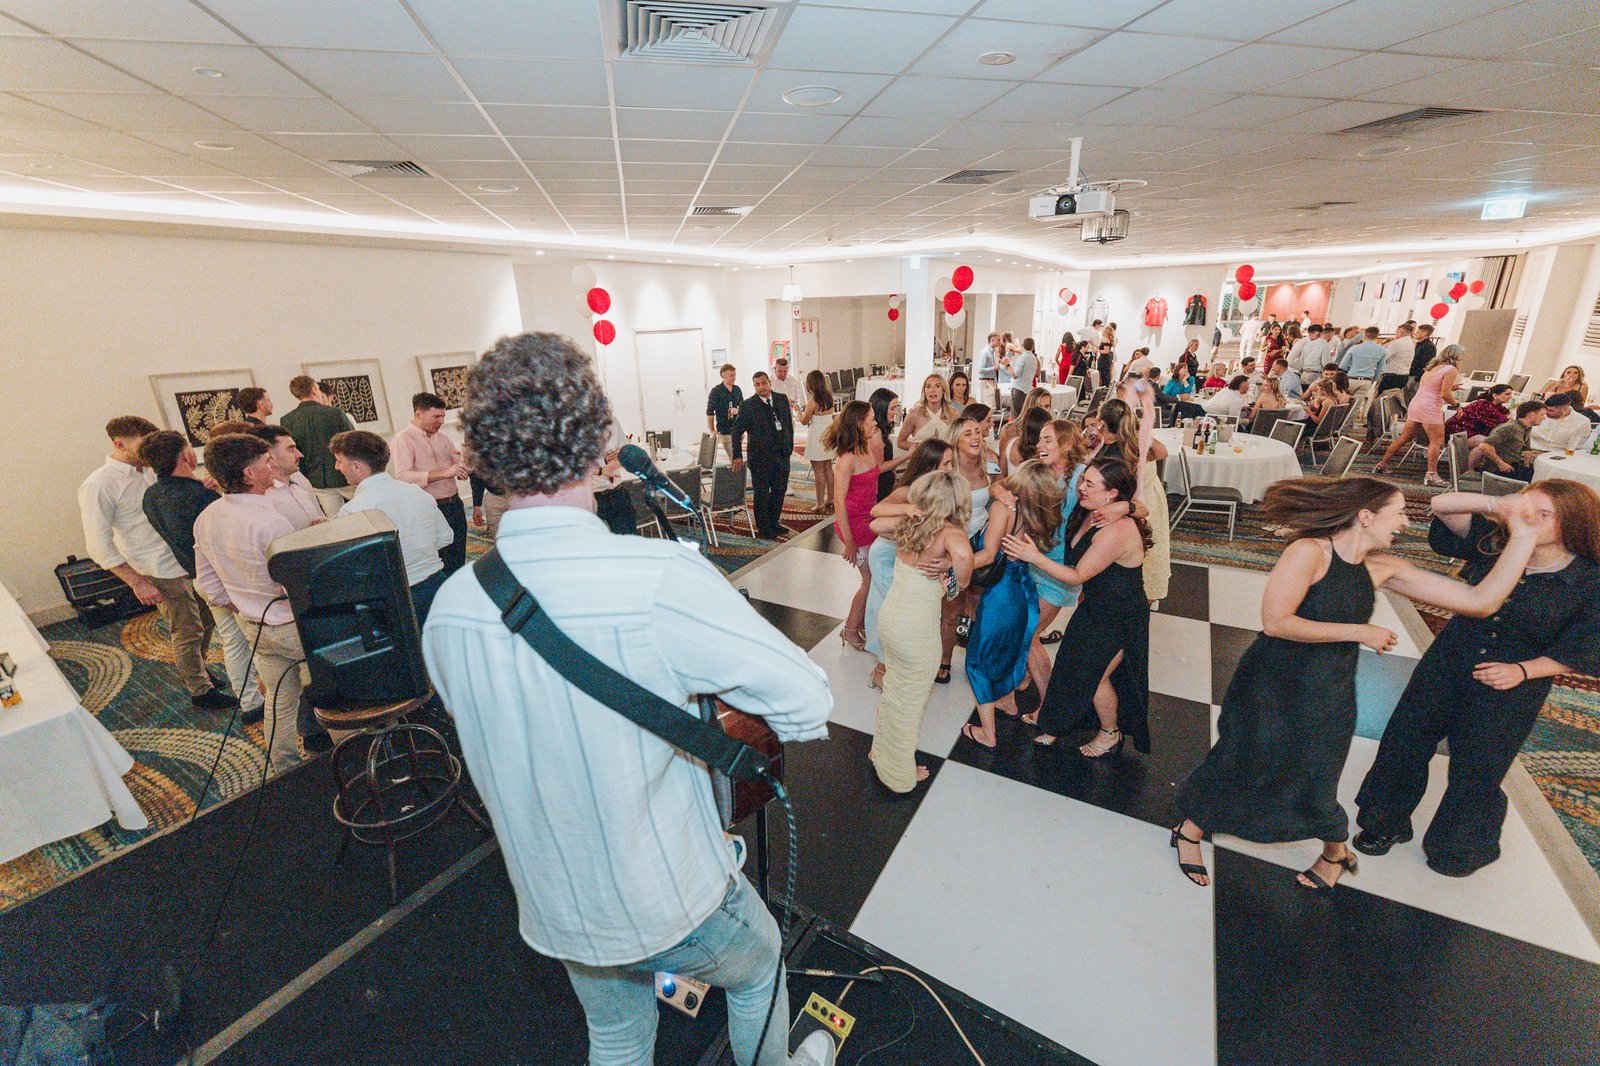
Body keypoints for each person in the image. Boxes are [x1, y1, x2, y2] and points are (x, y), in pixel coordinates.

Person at [418, 331, 837, 1066]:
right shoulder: (657, 579)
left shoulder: (451, 606)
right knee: (759, 963)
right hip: (664, 891)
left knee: (616, 1032)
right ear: (598, 444)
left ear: (482, 455)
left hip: (552, 896)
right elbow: (807, 702)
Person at [1168, 477, 1538, 892]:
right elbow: (1277, 622)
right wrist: (1359, 631)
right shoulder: (1309, 551)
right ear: (1365, 516)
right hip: (1271, 683)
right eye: (1399, 513)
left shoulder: (1384, 566)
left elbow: (1480, 602)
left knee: (1318, 773)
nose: (1406, 523)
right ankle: (1190, 830)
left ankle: (1334, 852)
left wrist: (1523, 537)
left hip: (1330, 689)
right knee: (1241, 757)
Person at [1355, 482, 1600, 876]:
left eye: (1544, 515)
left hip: (1512, 683)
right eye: (1528, 507)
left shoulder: (1589, 579)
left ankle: (1457, 847)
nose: (1530, 518)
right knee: (1405, 740)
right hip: (1449, 661)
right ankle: (1383, 823)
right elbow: (1442, 504)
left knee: (1479, 767)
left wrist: (1523, 671)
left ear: (1571, 523)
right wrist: (1501, 505)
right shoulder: (1496, 544)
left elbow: (1585, 646)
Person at [194, 432, 334, 768]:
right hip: (293, 627)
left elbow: (209, 587)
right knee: (336, 692)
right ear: (249, 474)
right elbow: (297, 586)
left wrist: (247, 605)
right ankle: (354, 751)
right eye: (266, 461)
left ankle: (283, 769)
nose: (272, 465)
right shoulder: (270, 523)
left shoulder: (207, 517)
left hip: (254, 627)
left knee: (278, 703)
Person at [79, 416, 235, 710]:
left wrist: (199, 485)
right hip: (157, 568)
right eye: (143, 443)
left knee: (206, 621)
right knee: (186, 630)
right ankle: (200, 690)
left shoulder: (151, 470)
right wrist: (137, 582)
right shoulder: (99, 484)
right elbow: (98, 545)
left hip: (189, 560)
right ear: (119, 444)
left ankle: (199, 668)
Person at [1003, 457, 1150, 755]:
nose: (1081, 487)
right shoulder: (1089, 511)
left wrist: (1034, 557)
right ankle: (1057, 723)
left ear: (1111, 494)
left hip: (1120, 616)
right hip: (1095, 607)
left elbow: (1077, 575)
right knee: (1070, 667)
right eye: (1083, 480)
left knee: (1095, 677)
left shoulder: (1116, 531)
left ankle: (1110, 733)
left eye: (1089, 484)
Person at [137, 430, 256, 719]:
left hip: (197, 576)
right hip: (225, 577)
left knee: (229, 638)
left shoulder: (151, 495)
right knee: (246, 640)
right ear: (185, 456)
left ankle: (249, 700)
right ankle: (253, 699)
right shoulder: (200, 497)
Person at [868, 471, 972, 791]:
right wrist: (954, 574)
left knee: (894, 692)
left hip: (891, 620)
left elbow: (875, 524)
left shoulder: (912, 524)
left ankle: (880, 752)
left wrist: (908, 510)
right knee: (910, 703)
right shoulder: (950, 533)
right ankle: (898, 773)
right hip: (916, 632)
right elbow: (964, 561)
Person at [961, 461, 1062, 748]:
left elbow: (988, 555)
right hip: (1024, 586)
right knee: (1011, 649)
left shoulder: (1003, 508)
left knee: (977, 660)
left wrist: (953, 565)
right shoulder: (1039, 512)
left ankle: (988, 734)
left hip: (1001, 591)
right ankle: (1008, 703)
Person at [331, 430, 453, 625]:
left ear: (357, 466)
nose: (337, 467)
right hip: (437, 586)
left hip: (395, 599)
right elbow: (446, 537)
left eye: (339, 461)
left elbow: (355, 568)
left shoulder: (353, 510)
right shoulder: (418, 493)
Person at [863, 439, 956, 690]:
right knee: (891, 610)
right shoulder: (910, 490)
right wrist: (907, 508)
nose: (950, 469)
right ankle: (881, 669)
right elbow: (876, 512)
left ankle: (896, 665)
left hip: (907, 559)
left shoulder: (942, 491)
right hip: (886, 556)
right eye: (946, 463)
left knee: (904, 614)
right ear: (930, 466)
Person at [826, 401, 886, 652]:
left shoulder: (867, 448)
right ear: (859, 423)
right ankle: (850, 629)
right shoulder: (847, 458)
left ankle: (858, 625)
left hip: (869, 519)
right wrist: (849, 543)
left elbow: (877, 472)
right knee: (869, 580)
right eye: (871, 419)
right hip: (853, 524)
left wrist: (910, 458)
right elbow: (838, 501)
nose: (875, 423)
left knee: (874, 578)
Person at [937, 413, 992, 684]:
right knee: (951, 607)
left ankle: (976, 661)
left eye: (977, 432)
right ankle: (944, 659)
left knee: (978, 606)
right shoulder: (949, 471)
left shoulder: (986, 465)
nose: (975, 437)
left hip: (981, 543)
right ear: (955, 440)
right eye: (967, 434)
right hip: (954, 545)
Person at [393, 391, 470, 575]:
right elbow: (403, 477)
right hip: (430, 508)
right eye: (436, 416)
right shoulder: (403, 439)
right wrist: (445, 473)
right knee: (439, 559)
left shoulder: (442, 437)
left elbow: (457, 464)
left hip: (455, 505)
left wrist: (464, 467)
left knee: (458, 554)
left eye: (443, 416)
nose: (442, 421)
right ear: (419, 414)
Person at [1375, 344, 1461, 485]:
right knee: (1436, 442)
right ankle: (1431, 474)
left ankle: (1382, 464)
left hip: (1417, 404)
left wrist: (1450, 388)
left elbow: (1431, 387)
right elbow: (1445, 394)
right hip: (1430, 407)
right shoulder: (1451, 370)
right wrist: (1457, 406)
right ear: (1456, 356)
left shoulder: (1433, 367)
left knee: (1404, 437)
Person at [730, 370, 795, 540]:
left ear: (769, 383)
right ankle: (763, 526)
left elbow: (788, 424)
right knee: (762, 493)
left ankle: (774, 521)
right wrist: (737, 455)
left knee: (779, 490)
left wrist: (789, 446)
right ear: (754, 386)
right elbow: (736, 431)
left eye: (764, 383)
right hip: (760, 459)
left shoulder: (781, 399)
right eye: (757, 384)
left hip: (782, 456)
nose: (761, 387)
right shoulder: (747, 405)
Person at [279, 375, 355, 488]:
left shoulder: (287, 420)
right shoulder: (335, 413)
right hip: (344, 476)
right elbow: (353, 443)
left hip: (315, 480)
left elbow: (294, 452)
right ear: (314, 389)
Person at [250, 424, 323, 531]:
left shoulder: (299, 480)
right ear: (270, 458)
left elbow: (319, 516)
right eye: (291, 449)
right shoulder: (265, 497)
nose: (300, 455)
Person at [1471, 400, 1545, 480]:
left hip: (1513, 466)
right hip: (1498, 470)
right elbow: (1484, 446)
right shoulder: (1510, 428)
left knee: (1540, 475)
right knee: (1540, 480)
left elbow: (1527, 450)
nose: (1544, 418)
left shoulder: (1526, 428)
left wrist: (1526, 467)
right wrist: (1501, 464)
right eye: (1542, 415)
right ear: (1532, 415)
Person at [798, 370, 836, 516]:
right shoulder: (829, 398)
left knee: (818, 471)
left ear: (810, 385)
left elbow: (804, 421)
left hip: (816, 437)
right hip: (828, 434)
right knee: (828, 469)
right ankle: (831, 499)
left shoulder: (812, 401)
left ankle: (820, 503)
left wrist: (798, 411)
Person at [897, 373, 958, 449]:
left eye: (937, 386)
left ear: (943, 390)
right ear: (924, 391)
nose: (932, 390)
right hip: (921, 456)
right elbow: (900, 442)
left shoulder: (953, 414)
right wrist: (922, 448)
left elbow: (959, 443)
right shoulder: (914, 414)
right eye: (928, 386)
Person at [1445, 383, 1513, 444]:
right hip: (1458, 433)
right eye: (1507, 394)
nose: (1510, 397)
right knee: (1496, 441)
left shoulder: (1494, 405)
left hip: (1465, 431)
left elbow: (1505, 414)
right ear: (1495, 395)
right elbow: (1505, 424)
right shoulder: (1486, 407)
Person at [868, 388, 902, 500]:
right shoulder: (876, 432)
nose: (895, 412)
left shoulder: (882, 428)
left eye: (896, 408)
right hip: (879, 486)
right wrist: (907, 456)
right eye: (892, 408)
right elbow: (879, 467)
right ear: (882, 408)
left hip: (885, 483)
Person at [705, 363, 743, 462]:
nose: (734, 378)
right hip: (725, 430)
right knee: (734, 458)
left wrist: (738, 410)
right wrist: (712, 429)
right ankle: (735, 471)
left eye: (734, 375)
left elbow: (742, 406)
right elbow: (710, 412)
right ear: (723, 375)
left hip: (738, 428)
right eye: (731, 375)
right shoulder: (716, 391)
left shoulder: (737, 389)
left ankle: (738, 471)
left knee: (738, 456)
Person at [1375, 323, 1416, 400]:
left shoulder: (1398, 343)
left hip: (1392, 376)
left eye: (1396, 332)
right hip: (1404, 375)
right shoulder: (1411, 343)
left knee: (1382, 400)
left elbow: (1384, 357)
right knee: (1392, 400)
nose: (1395, 334)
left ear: (1401, 332)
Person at [1010, 337, 1040, 419]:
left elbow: (1015, 375)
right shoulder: (1034, 358)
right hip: (1028, 389)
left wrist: (1008, 366)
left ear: (1023, 345)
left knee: (1016, 416)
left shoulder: (1022, 357)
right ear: (1033, 347)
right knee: (1025, 415)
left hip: (1019, 389)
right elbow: (1036, 374)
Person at [973, 331, 1001, 409]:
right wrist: (994, 368)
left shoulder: (992, 353)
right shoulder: (985, 353)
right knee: (990, 406)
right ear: (992, 340)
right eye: (998, 340)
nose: (1000, 342)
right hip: (986, 382)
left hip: (991, 381)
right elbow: (980, 370)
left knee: (989, 406)